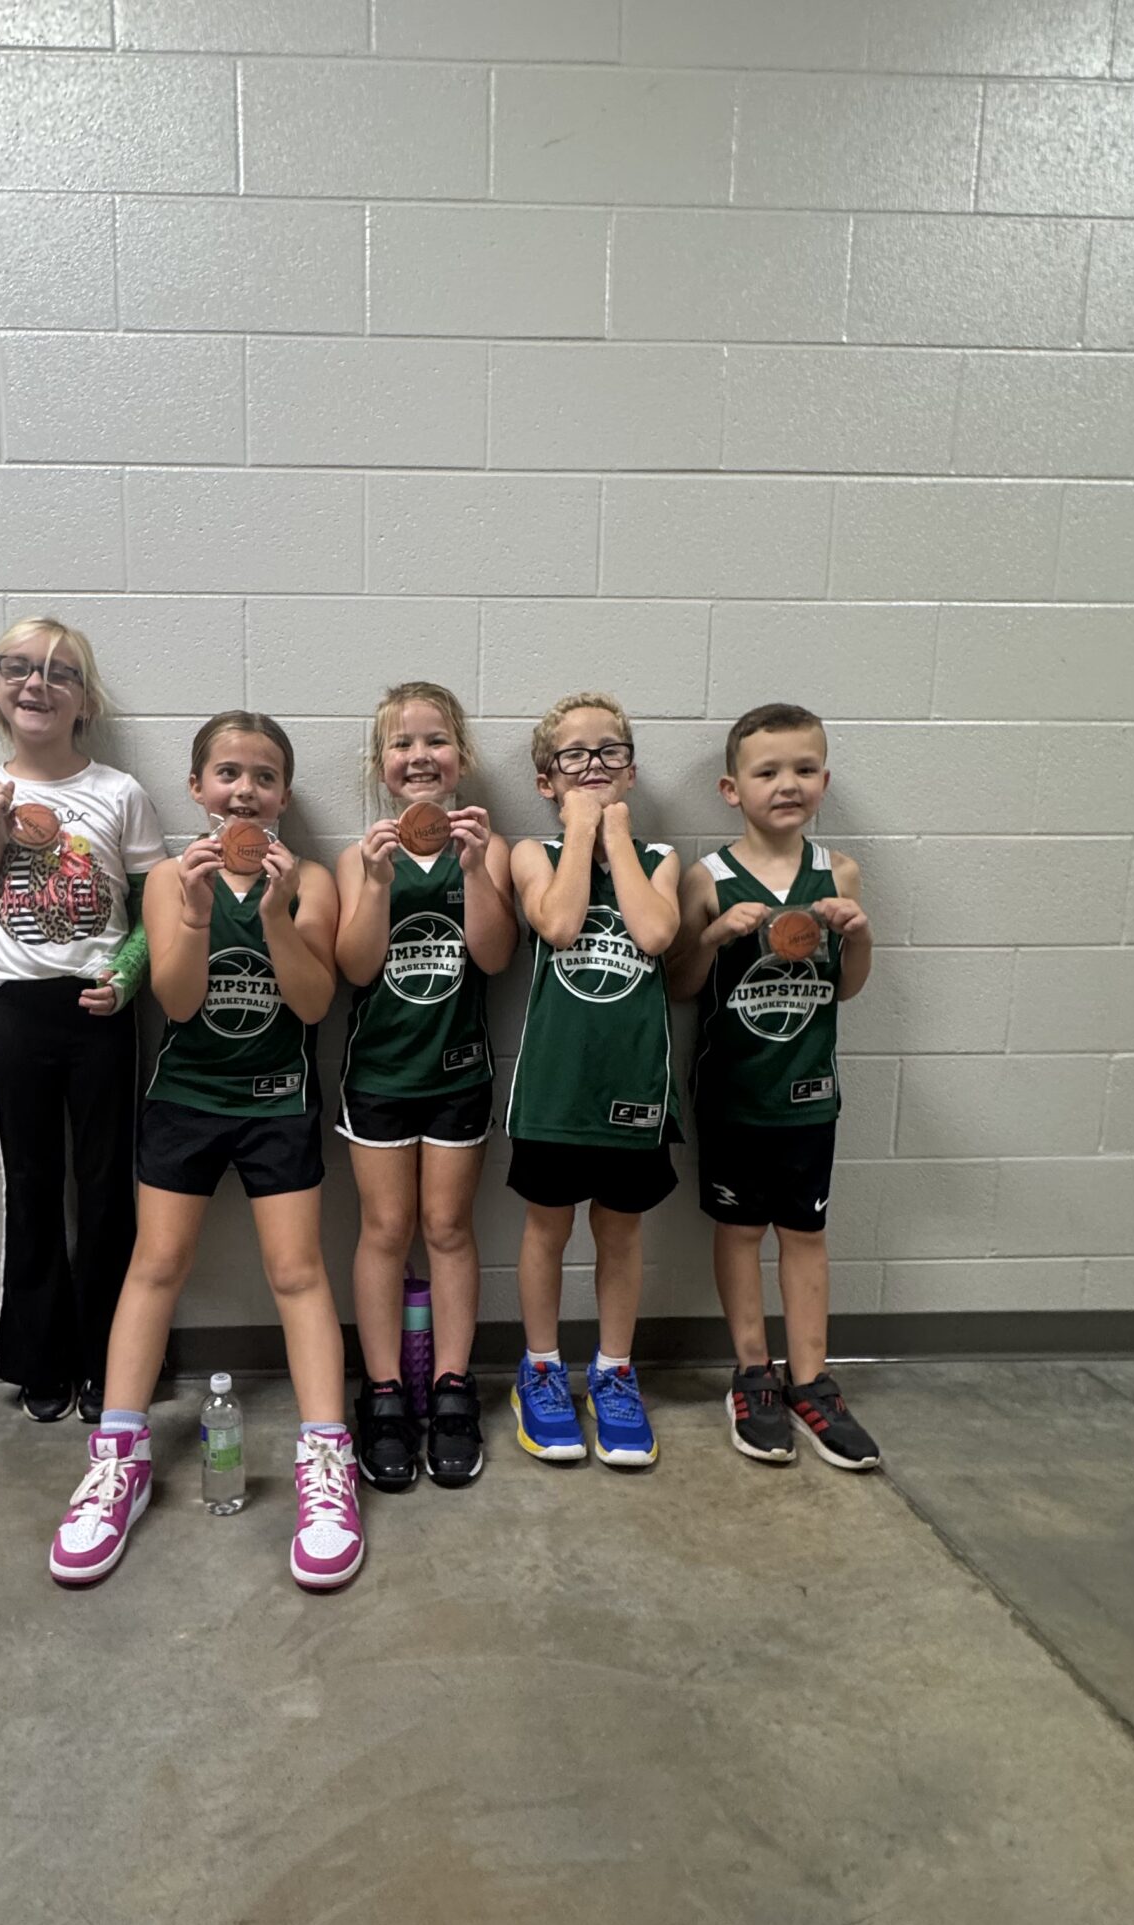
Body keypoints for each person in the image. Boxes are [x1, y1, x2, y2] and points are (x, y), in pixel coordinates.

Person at [49, 712, 363, 1593]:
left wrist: (274, 917)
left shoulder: (309, 880)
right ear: (197, 789)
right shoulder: (169, 878)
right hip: (186, 1100)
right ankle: (118, 1456)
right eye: (228, 773)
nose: (244, 791)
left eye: (264, 776)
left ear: (285, 795)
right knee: (156, 1265)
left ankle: (325, 1460)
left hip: (278, 1102)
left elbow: (312, 1003)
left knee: (298, 1272)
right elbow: (180, 1002)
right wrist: (191, 913)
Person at [0, 619, 166, 1428]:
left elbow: (156, 912)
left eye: (60, 672)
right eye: (19, 669)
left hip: (98, 1007)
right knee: (32, 1185)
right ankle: (41, 1355)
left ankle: (113, 1357)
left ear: (85, 700)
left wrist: (128, 975)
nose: (37, 683)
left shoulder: (119, 793)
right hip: (13, 1007)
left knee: (105, 1186)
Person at [669, 701, 881, 1470]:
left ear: (824, 780)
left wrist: (859, 935)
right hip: (734, 1095)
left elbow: (847, 989)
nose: (787, 784)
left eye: (804, 769)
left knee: (806, 1233)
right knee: (739, 1232)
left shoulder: (840, 873)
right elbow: (681, 983)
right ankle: (754, 1373)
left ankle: (812, 1380)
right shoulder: (709, 877)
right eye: (768, 772)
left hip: (809, 1094)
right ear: (733, 789)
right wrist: (713, 934)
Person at [334, 681, 517, 1490]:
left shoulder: (490, 848)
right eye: (401, 744)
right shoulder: (358, 857)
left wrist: (475, 869)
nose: (419, 756)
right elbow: (355, 968)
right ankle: (381, 1391)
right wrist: (377, 884)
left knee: (446, 1226)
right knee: (385, 1228)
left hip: (458, 1071)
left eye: (435, 740)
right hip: (378, 1074)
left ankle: (450, 1386)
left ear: (462, 756)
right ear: (380, 765)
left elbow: (494, 956)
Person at [505, 694, 683, 1470]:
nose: (593, 766)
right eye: (573, 756)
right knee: (546, 1228)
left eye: (609, 752)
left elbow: (655, 932)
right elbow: (559, 924)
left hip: (634, 1087)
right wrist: (580, 833)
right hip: (554, 1088)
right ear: (547, 781)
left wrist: (615, 837)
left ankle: (614, 1371)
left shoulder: (661, 857)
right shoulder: (531, 853)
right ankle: (541, 1368)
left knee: (620, 1231)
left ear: (631, 772)